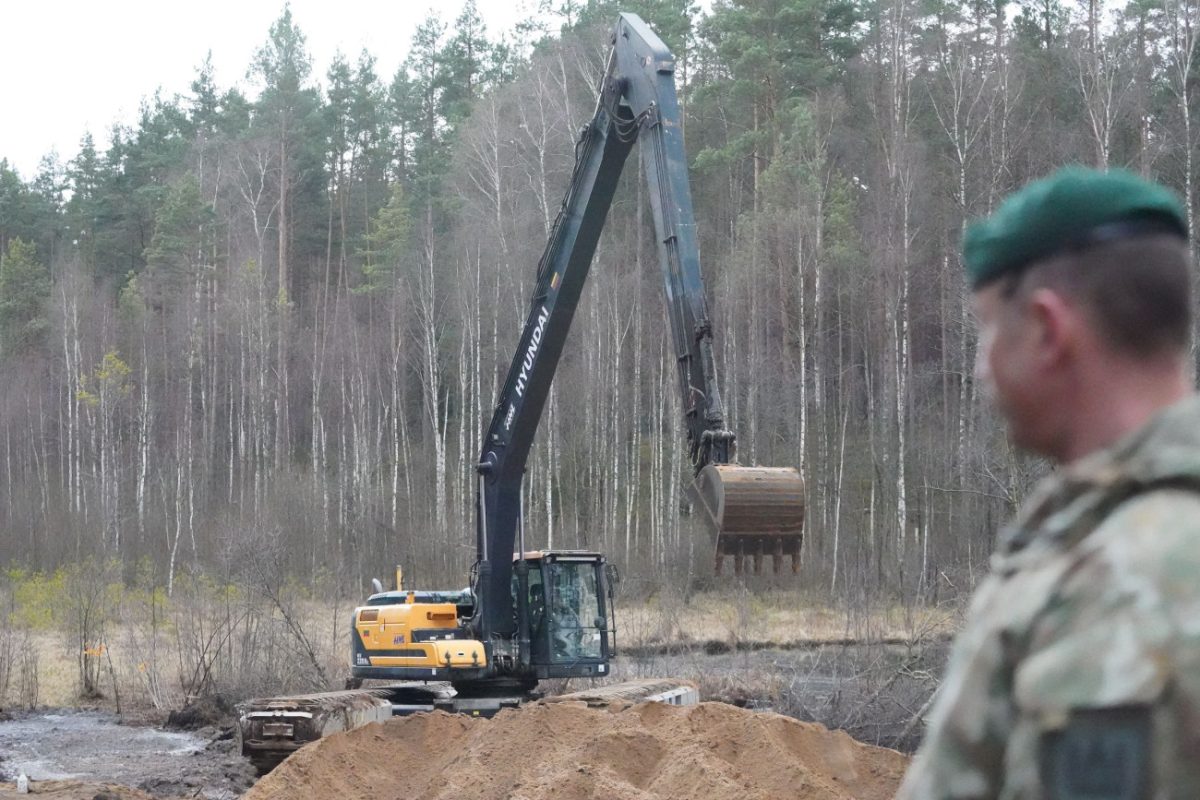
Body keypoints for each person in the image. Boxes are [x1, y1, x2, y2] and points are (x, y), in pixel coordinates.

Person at [896, 166, 1200, 799]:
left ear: (1046, 328)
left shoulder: (1122, 586)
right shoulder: (1098, 537)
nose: (981, 369)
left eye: (986, 330)